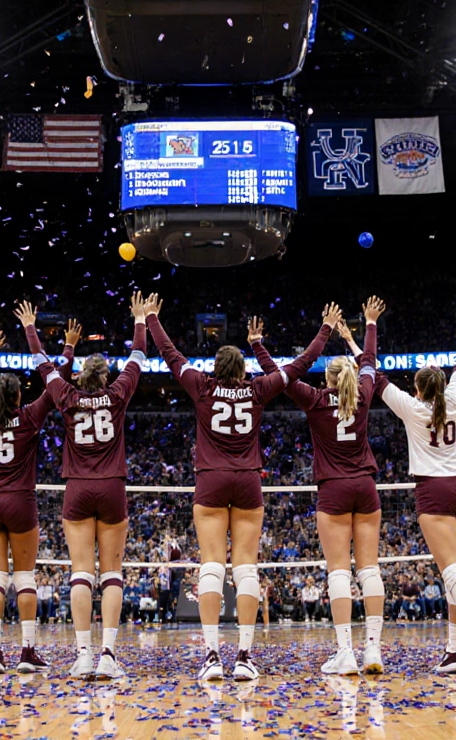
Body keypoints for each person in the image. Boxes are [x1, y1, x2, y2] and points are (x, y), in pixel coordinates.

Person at [146, 292, 336, 682]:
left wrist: (150, 318)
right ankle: (245, 657)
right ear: (243, 368)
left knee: (212, 565)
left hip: (211, 481)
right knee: (246, 568)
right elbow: (300, 366)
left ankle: (212, 657)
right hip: (249, 480)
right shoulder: (258, 389)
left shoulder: (201, 385)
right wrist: (326, 330)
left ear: (216, 367)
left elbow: (169, 353)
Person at [251, 299, 383, 673]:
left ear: (327, 380)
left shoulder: (313, 399)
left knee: (338, 571)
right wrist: (367, 326)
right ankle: (373, 649)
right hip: (366, 486)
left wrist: (258, 344)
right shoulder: (363, 395)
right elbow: (370, 362)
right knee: (369, 570)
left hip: (334, 490)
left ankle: (347, 653)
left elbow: (280, 376)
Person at [374, 310, 456, 681]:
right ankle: (454, 652)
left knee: (453, 572)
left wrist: (357, 336)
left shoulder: (412, 408)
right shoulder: (454, 395)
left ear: (416, 388)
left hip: (435, 491)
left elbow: (374, 374)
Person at [28, 296, 147, 680]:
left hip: (77, 488)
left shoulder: (66, 395)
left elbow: (42, 365)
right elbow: (138, 357)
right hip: (112, 487)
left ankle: (83, 655)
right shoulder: (117, 395)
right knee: (112, 573)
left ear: (81, 377)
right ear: (106, 377)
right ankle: (108, 655)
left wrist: (33, 328)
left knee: (81, 572)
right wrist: (140, 320)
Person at [0, 323, 77, 673]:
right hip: (20, 503)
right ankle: (27, 652)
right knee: (25, 578)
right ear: (17, 397)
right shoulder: (29, 416)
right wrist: (68, 348)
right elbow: (54, 384)